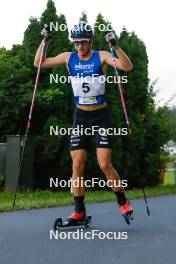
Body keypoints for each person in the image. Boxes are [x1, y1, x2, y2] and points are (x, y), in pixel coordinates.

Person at [34, 21, 133, 223]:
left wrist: (115, 47)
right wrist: (44, 41)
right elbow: (39, 63)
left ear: (91, 41)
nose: (80, 46)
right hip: (81, 118)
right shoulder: (68, 57)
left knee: (105, 164)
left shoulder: (102, 56)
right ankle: (79, 210)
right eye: (76, 42)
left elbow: (127, 67)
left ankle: (122, 199)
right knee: (77, 164)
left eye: (84, 42)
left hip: (100, 117)